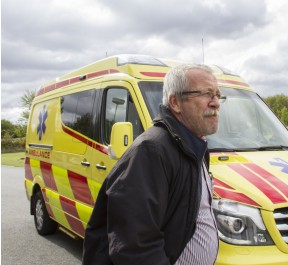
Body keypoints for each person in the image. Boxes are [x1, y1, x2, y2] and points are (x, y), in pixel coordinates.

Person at [82, 64, 223, 265]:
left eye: (218, 95)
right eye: (207, 94)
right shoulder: (152, 150)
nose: (216, 103)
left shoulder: (194, 147)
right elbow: (135, 246)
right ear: (175, 102)